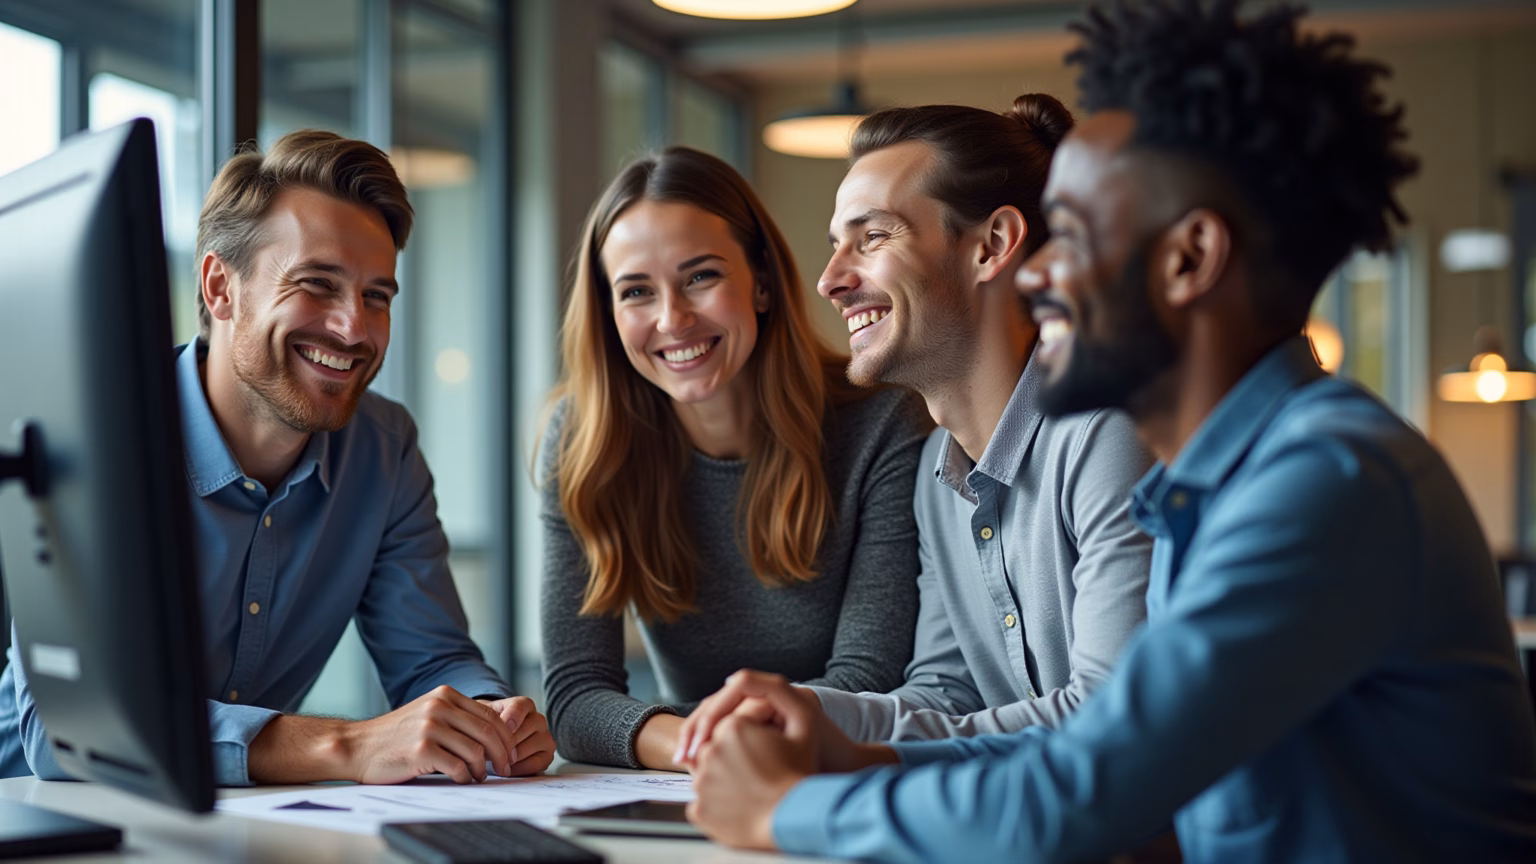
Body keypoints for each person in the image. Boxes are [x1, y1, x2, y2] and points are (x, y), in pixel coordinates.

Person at [681, 2, 1536, 862]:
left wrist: (787, 811)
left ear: (1189, 259)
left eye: (1075, 233)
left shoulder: (1324, 481)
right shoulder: (1214, 489)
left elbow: (1082, 791)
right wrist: (848, 749)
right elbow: (1090, 756)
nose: (1037, 271)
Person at [0, 130, 554, 787]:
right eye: (317, 284)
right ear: (220, 287)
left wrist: (488, 718)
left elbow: (432, 659)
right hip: (41, 808)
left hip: (237, 820)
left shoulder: (384, 449)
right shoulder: (99, 437)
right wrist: (346, 745)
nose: (353, 328)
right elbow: (70, 724)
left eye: (376, 297)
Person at [676, 96, 1153, 758]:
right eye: (836, 245)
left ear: (991, 246)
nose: (829, 281)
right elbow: (948, 695)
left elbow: (1108, 721)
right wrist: (802, 709)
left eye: (872, 237)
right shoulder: (937, 472)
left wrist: (853, 752)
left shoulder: (1109, 435)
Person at [539, 147, 931, 771]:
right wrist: (699, 747)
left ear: (763, 283)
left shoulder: (880, 423)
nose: (673, 319)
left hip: (842, 770)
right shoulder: (584, 443)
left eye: (701, 277)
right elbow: (575, 698)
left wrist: (698, 740)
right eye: (636, 291)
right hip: (694, 778)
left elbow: (869, 678)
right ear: (609, 315)